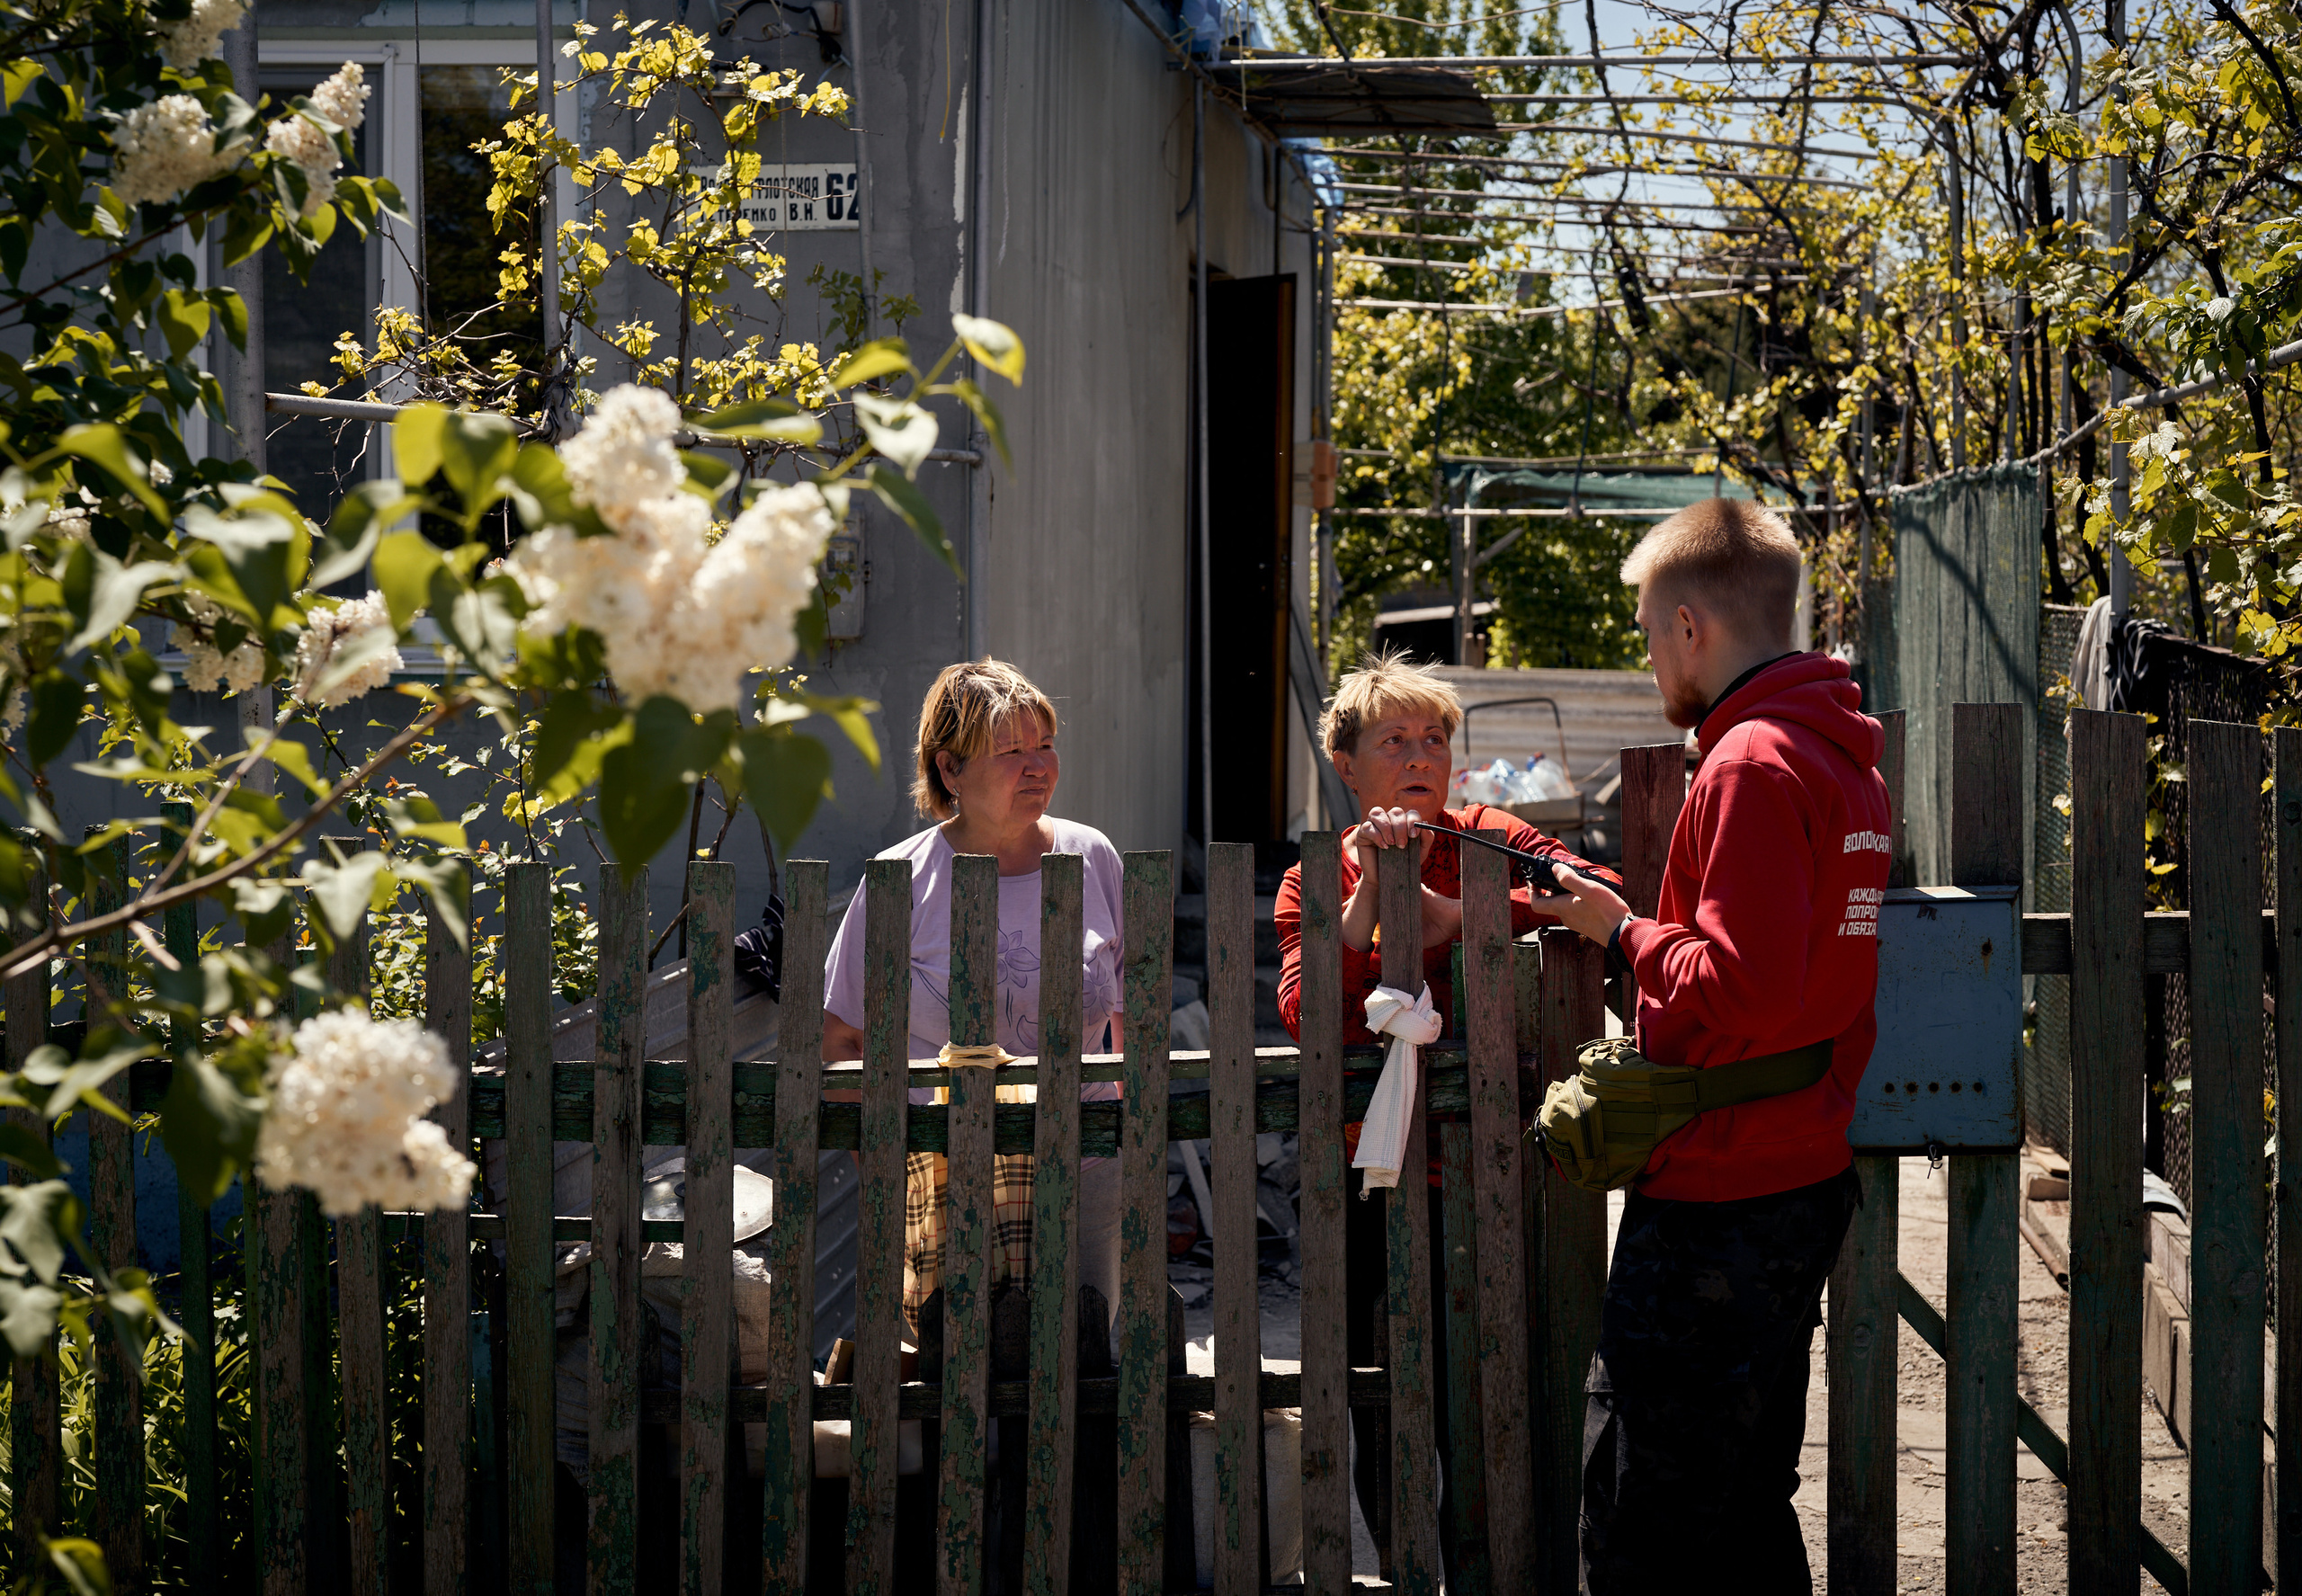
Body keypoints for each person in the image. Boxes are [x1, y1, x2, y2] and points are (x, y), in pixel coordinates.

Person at [1541, 499, 1891, 1592]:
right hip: (1799, 1171)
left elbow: (1736, 985)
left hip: (1719, 1197)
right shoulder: (1842, 756)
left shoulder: (1747, 762)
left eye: (1649, 633)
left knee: (1645, 1519)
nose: (1651, 659)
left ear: (1690, 625)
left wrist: (1624, 928)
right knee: (1741, 1505)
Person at [1271, 648, 1615, 1574]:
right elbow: (1309, 1018)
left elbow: (1594, 897)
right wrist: (1366, 912)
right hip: (1371, 1180)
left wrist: (1448, 911)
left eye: (1435, 738)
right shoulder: (1314, 876)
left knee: (1510, 1386)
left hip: (1504, 1168)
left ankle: (1511, 1567)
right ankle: (1403, 1565)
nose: (1421, 755)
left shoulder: (1488, 834)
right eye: (1395, 739)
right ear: (1345, 764)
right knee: (1383, 1401)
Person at [822, 659, 1127, 1343]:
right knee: (960, 1374)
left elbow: (1132, 1017)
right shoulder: (901, 881)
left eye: (1044, 744)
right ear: (951, 769)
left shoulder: (1093, 855)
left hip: (1086, 1164)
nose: (1038, 766)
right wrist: (886, 1171)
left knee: (1080, 1362)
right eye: (1011, 750)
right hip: (946, 1173)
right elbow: (842, 1039)